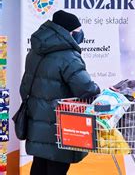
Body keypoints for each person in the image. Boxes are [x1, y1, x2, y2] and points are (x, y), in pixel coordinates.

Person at [20, 10, 100, 175]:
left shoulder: (34, 52)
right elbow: (85, 89)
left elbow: (25, 87)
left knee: (39, 166)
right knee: (57, 168)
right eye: (78, 31)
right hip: (60, 127)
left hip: (37, 123)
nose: (80, 35)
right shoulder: (69, 56)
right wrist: (98, 90)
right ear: (69, 32)